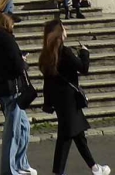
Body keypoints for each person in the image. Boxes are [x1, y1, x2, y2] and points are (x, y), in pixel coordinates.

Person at [39, 19, 110, 175]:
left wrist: (48, 102)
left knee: (78, 134)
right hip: (69, 100)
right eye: (64, 28)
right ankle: (59, 172)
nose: (66, 30)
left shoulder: (46, 54)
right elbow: (83, 68)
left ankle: (95, 168)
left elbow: (47, 82)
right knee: (66, 137)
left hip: (59, 100)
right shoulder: (65, 52)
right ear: (60, 33)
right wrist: (84, 53)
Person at [0, 12, 34, 175]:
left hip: (0, 88)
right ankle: (9, 170)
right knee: (12, 131)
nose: (14, 26)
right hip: (10, 89)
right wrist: (23, 62)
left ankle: (21, 163)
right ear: (7, 24)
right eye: (12, 23)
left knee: (24, 126)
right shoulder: (7, 40)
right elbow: (17, 66)